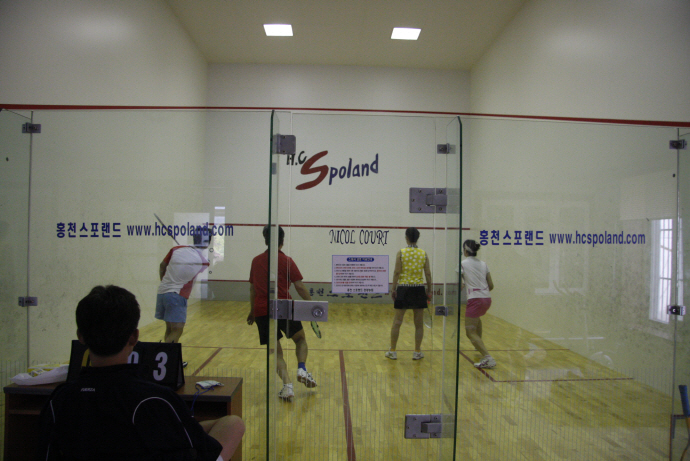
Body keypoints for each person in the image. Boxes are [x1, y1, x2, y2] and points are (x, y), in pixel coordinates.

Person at [37, 285, 244, 460]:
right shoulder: (156, 399)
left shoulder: (59, 399)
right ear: (134, 337)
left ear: (80, 336)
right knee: (233, 423)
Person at [247, 225, 316, 400]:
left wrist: (252, 311)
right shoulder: (287, 261)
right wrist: (311, 307)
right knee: (300, 339)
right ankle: (302, 369)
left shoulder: (255, 261)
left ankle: (287, 386)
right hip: (284, 306)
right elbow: (299, 287)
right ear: (282, 242)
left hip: (262, 310)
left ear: (266, 241)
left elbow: (252, 290)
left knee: (275, 351)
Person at [156, 230, 210, 346]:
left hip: (162, 292)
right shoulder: (203, 261)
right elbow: (202, 266)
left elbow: (162, 265)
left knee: (170, 328)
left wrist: (164, 282)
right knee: (177, 329)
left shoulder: (176, 249)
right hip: (177, 295)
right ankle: (168, 355)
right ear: (207, 243)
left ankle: (167, 355)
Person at [386, 227, 432, 360]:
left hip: (403, 289)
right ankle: (417, 351)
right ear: (417, 238)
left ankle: (393, 351)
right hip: (418, 290)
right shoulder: (423, 254)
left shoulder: (401, 253)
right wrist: (429, 290)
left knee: (397, 322)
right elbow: (428, 274)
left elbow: (397, 272)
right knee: (418, 324)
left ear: (406, 238)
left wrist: (393, 289)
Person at [460, 239, 496, 369]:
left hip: (475, 300)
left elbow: (459, 283)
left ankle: (488, 358)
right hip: (487, 299)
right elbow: (491, 285)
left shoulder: (462, 264)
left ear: (465, 251)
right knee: (476, 319)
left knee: (469, 331)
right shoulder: (483, 264)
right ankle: (478, 345)